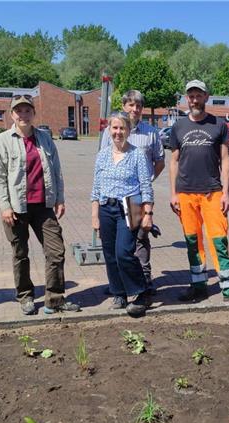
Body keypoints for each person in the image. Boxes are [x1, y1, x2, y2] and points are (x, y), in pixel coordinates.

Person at [0, 95, 80, 315]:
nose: (23, 115)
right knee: (20, 253)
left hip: (43, 206)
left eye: (27, 111)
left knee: (56, 251)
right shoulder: (2, 140)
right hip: (16, 208)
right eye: (18, 111)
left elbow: (56, 170)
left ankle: (55, 299)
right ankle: (25, 296)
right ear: (12, 114)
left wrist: (60, 198)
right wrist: (5, 206)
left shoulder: (44, 138)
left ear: (33, 113)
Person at [169, 80, 229, 303]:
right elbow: (173, 161)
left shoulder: (219, 125)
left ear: (206, 97)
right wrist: (173, 193)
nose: (195, 99)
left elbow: (226, 160)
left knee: (219, 239)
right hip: (185, 193)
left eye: (199, 95)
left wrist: (226, 192)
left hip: (212, 192)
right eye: (191, 96)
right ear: (187, 99)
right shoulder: (179, 127)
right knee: (192, 241)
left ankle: (228, 287)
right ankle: (198, 285)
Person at [99, 90, 164, 294]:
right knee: (119, 247)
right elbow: (104, 160)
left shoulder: (151, 132)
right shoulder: (112, 131)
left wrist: (145, 181)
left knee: (141, 238)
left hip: (138, 196)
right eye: (131, 105)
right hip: (114, 198)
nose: (135, 109)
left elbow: (160, 161)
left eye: (138, 106)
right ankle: (119, 285)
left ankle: (145, 280)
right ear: (124, 106)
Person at [91, 113, 154, 316]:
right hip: (105, 208)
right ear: (109, 130)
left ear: (128, 131)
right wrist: (94, 214)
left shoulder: (137, 154)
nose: (118, 133)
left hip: (129, 208)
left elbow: (146, 186)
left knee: (124, 252)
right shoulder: (102, 155)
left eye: (122, 129)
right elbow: (96, 187)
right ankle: (119, 293)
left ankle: (141, 291)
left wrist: (148, 213)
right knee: (109, 253)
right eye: (114, 128)